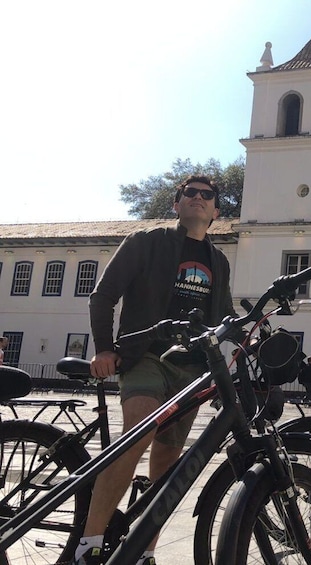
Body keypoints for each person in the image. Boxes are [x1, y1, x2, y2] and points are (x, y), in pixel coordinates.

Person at [74, 175, 235, 565]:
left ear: (215, 211)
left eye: (207, 195)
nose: (198, 198)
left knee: (167, 464)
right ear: (176, 205)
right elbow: (104, 296)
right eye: (189, 193)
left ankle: (145, 550)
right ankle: (88, 545)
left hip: (191, 368)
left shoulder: (219, 261)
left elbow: (225, 316)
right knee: (137, 434)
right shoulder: (146, 242)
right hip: (147, 356)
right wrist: (104, 349)